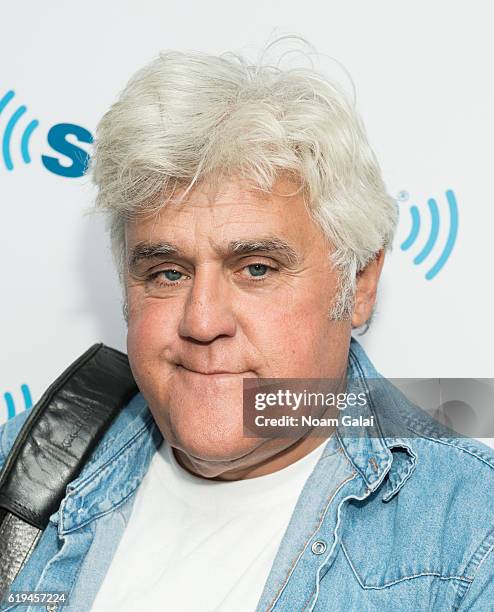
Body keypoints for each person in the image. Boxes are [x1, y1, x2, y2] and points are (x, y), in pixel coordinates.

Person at [1, 44, 493, 611]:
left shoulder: (471, 538)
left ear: (358, 283)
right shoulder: (28, 460)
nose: (203, 321)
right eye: (167, 272)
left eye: (256, 269)